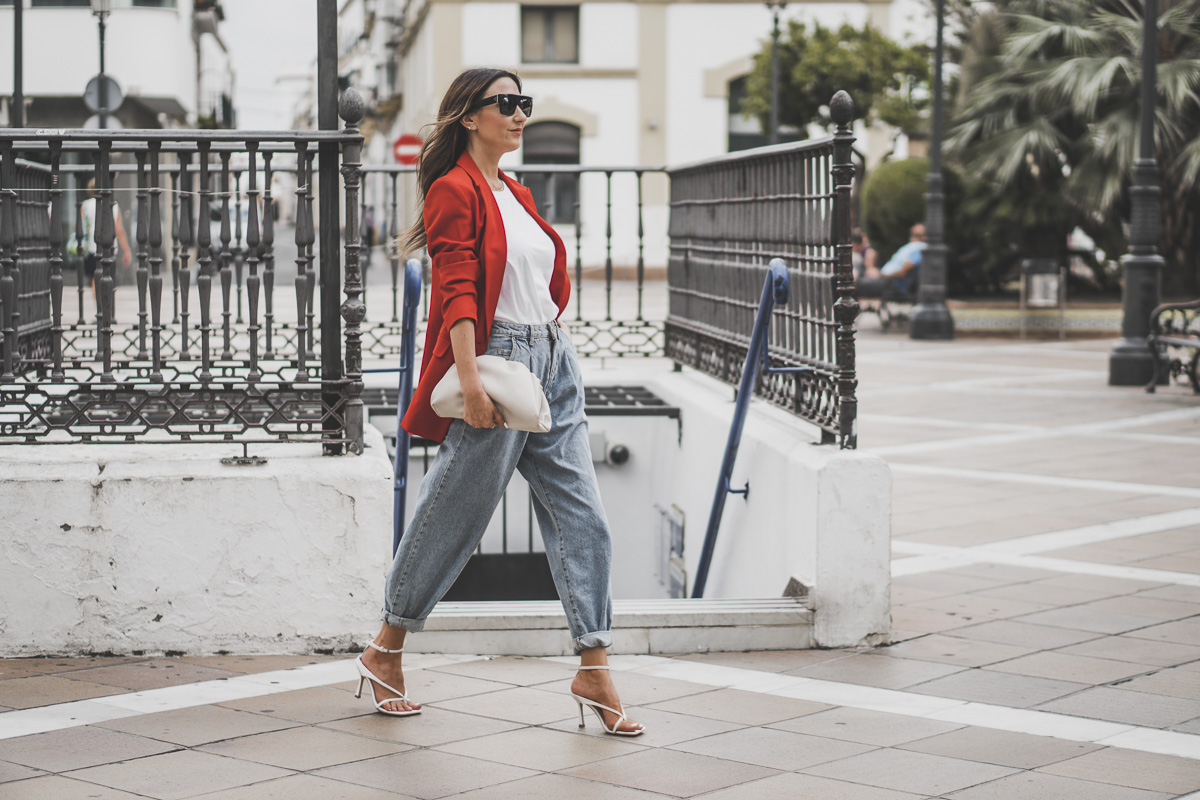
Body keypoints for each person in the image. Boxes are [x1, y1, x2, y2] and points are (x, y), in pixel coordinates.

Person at [354, 68, 644, 736]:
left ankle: (594, 664)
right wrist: (471, 380)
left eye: (524, 104)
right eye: (505, 104)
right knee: (458, 510)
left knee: (583, 512)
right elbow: (454, 288)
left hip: (551, 355)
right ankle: (385, 649)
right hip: (499, 358)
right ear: (469, 117)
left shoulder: (515, 188)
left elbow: (543, 275)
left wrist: (554, 343)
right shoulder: (453, 188)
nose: (519, 114)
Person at [68, 179, 133, 305]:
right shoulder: (113, 205)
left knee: (94, 277)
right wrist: (127, 250)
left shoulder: (85, 205)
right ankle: (109, 306)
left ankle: (99, 307)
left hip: (92, 246)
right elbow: (119, 229)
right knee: (109, 275)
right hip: (109, 246)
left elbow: (78, 226)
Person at [856, 223, 926, 298]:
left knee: (853, 285)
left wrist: (881, 275)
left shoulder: (919, 247)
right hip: (884, 279)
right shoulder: (912, 246)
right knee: (853, 279)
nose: (914, 227)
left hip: (890, 283)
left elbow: (903, 272)